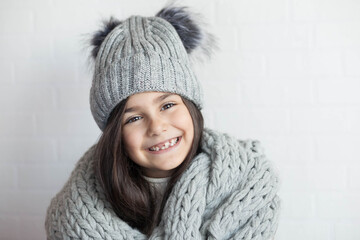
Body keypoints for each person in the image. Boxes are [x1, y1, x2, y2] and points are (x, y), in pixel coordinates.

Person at [45, 3, 281, 239]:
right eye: (134, 118)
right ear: (115, 133)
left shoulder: (246, 184)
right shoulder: (74, 214)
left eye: (167, 106)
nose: (157, 127)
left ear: (190, 107)